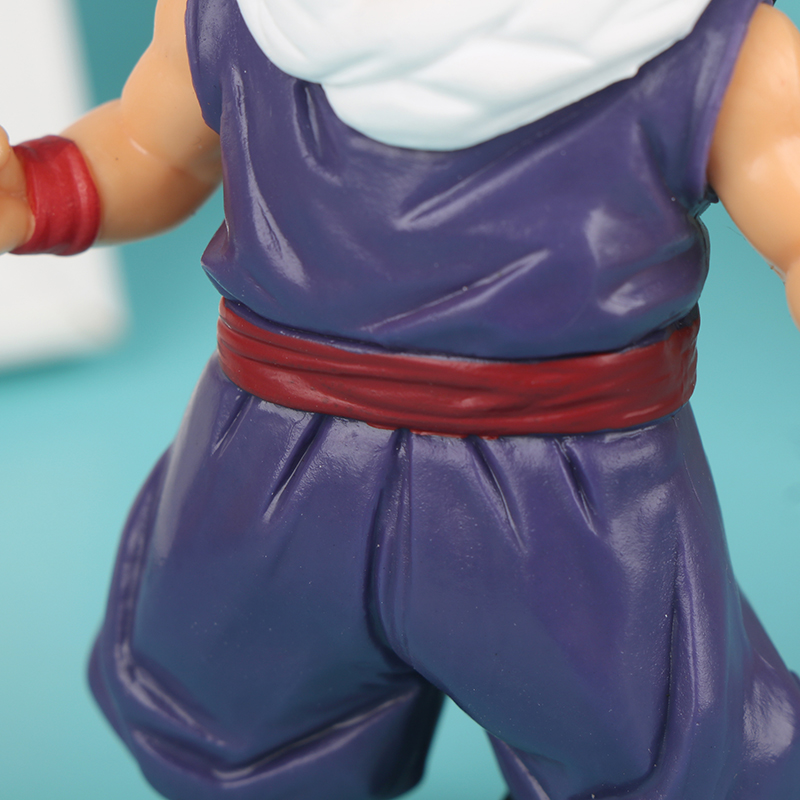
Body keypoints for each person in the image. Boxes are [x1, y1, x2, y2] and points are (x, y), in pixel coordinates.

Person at [3, 0, 800, 797]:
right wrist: (39, 192)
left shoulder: (718, 55)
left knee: (656, 763)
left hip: (577, 495)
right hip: (270, 460)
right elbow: (152, 150)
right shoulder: (236, 16)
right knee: (227, 729)